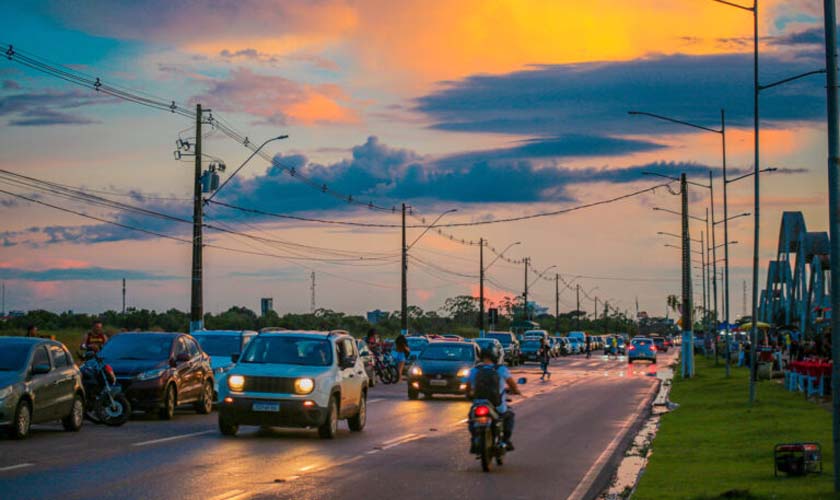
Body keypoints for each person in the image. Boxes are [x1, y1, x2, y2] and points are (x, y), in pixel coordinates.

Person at [466, 346, 521, 451]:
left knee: (471, 419)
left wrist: (469, 396)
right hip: (497, 405)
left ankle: (474, 439)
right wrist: (516, 391)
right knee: (509, 416)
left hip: (479, 403)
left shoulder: (474, 370)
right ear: (495, 356)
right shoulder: (500, 369)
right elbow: (512, 384)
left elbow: (468, 387)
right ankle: (505, 440)